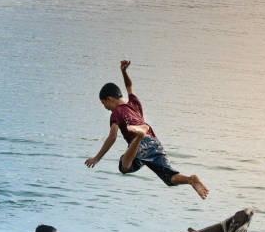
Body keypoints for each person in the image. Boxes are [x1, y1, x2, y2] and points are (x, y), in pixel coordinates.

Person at [85, 60, 209, 200]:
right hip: (154, 142)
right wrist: (124, 72)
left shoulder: (116, 113)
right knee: (169, 178)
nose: (105, 107)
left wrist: (97, 158)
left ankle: (138, 136)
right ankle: (190, 179)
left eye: (104, 103)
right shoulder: (134, 103)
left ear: (109, 99)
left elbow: (112, 137)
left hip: (139, 142)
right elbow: (129, 86)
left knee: (124, 167)